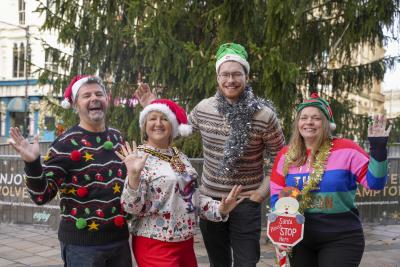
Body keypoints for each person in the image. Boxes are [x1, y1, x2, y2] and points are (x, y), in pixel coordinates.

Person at [135, 43, 285, 266]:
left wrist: (259, 195)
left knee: (247, 262)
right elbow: (172, 131)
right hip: (209, 201)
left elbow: (282, 160)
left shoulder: (264, 116)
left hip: (246, 204)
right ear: (217, 77)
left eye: (237, 74)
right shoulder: (203, 108)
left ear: (247, 76)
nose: (230, 80)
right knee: (218, 262)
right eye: (225, 74)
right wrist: (156, 107)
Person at [9, 75, 132, 267]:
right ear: (76, 104)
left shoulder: (118, 138)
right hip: (82, 247)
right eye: (86, 95)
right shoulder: (65, 143)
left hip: (119, 241)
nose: (94, 98)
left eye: (99, 94)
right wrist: (33, 163)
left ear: (107, 100)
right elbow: (41, 196)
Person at [117, 99, 244, 267]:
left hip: (184, 241)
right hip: (154, 243)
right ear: (144, 125)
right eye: (152, 118)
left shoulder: (178, 156)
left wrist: (219, 208)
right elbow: (131, 208)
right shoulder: (138, 158)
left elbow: (191, 198)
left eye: (164, 118)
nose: (158, 123)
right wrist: (133, 176)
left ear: (173, 126)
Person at [270, 92, 391, 267]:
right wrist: (280, 232)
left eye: (316, 118)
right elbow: (276, 196)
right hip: (299, 238)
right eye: (303, 118)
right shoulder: (285, 155)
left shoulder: (347, 149)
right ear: (297, 124)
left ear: (326, 124)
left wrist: (378, 149)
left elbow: (375, 183)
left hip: (342, 237)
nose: (309, 122)